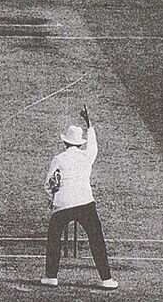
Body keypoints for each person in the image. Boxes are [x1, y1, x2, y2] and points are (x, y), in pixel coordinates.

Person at [41, 106, 118, 290]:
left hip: (63, 204)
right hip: (85, 203)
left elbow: (49, 183)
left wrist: (53, 197)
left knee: (54, 237)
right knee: (96, 238)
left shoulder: (58, 159)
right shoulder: (86, 156)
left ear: (65, 143)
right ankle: (106, 279)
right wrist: (89, 125)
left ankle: (51, 276)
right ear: (79, 143)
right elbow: (94, 146)